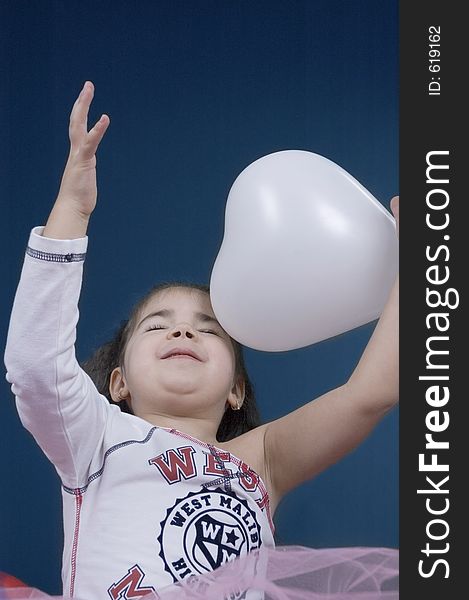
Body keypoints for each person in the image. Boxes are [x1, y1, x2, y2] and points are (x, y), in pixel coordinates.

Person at [3, 81, 399, 600]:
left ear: (235, 388)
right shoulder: (93, 437)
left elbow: (367, 395)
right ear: (118, 382)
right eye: (158, 324)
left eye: (209, 329)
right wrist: (72, 212)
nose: (183, 330)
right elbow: (36, 367)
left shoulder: (264, 458)